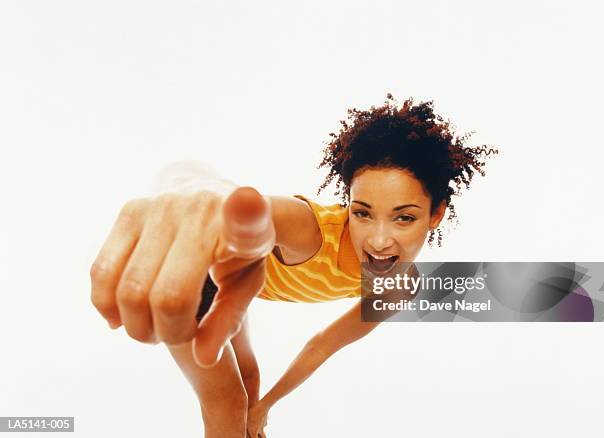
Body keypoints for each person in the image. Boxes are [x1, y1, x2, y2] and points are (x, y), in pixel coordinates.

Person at [90, 95, 498, 437]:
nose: (377, 240)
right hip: (191, 274)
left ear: (436, 214)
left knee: (250, 389)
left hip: (237, 290)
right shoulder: (313, 231)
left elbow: (321, 345)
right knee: (229, 407)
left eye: (404, 218)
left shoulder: (398, 289)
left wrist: (267, 405)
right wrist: (201, 192)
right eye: (362, 213)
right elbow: (237, 203)